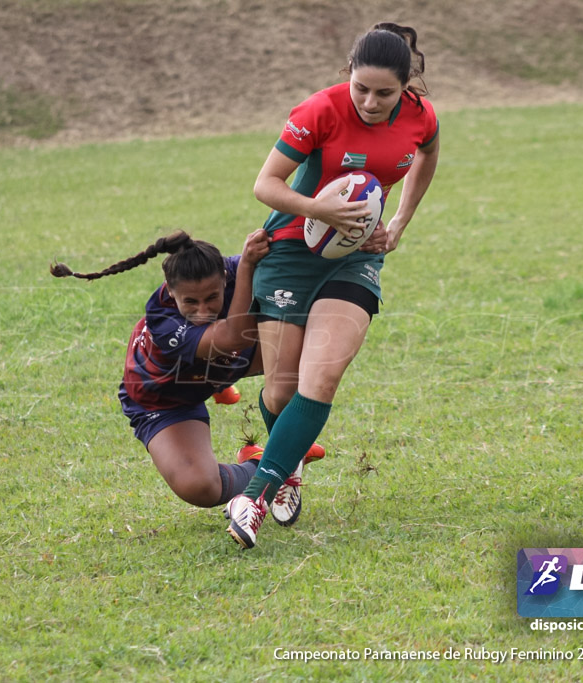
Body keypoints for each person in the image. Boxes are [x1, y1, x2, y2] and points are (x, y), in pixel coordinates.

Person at [224, 22, 440, 548]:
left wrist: (400, 222)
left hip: (354, 261)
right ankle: (288, 465)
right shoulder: (319, 110)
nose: (369, 100)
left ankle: (252, 496)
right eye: (360, 87)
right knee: (278, 389)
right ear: (348, 74)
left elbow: (427, 157)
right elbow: (265, 185)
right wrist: (317, 207)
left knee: (319, 380)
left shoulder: (420, 116)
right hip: (290, 252)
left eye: (384, 92)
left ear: (406, 85)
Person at [50, 229, 322, 523]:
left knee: (303, 344)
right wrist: (248, 264)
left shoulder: (230, 270)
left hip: (220, 364)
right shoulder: (162, 319)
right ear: (170, 289)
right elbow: (232, 338)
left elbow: (291, 251)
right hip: (163, 397)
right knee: (201, 487)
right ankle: (271, 459)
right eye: (190, 302)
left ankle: (276, 428)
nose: (202, 310)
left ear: (224, 278)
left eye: (212, 298)